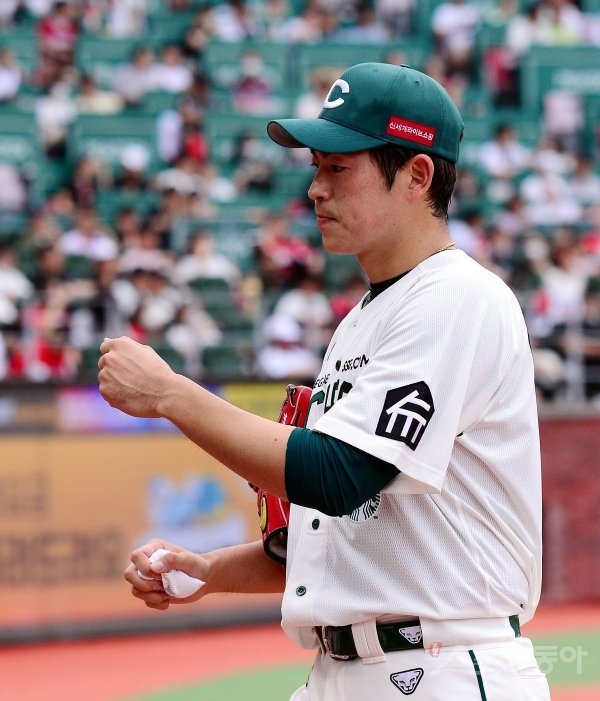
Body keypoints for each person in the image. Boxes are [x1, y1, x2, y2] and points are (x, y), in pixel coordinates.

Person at [99, 63, 549, 700]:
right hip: (346, 667)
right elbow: (351, 532)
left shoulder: (457, 297)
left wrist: (171, 394)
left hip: (440, 665)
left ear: (418, 176)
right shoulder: (365, 318)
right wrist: (210, 570)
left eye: (339, 167)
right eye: (316, 167)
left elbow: (340, 476)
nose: (315, 188)